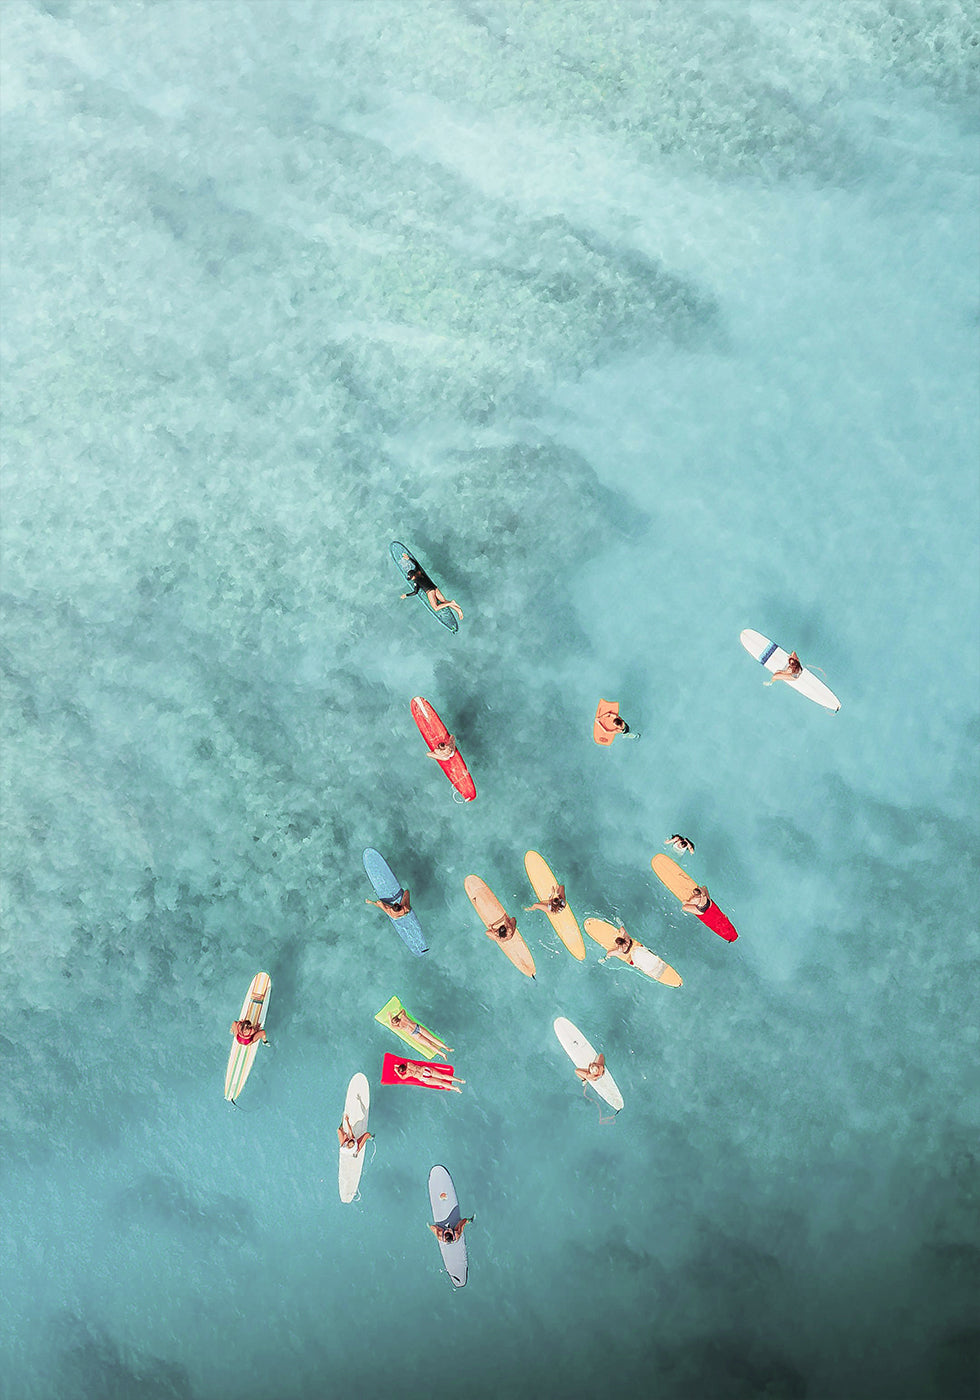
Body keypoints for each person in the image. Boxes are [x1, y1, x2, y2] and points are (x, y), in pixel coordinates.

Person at [400, 555, 463, 621]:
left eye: (411, 578)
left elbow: (415, 592)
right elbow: (416, 564)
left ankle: (451, 603)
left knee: (436, 608)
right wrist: (409, 558)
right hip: (434, 588)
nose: (412, 579)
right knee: (444, 601)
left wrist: (406, 595)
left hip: (430, 592)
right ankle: (458, 610)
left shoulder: (416, 581)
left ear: (413, 576)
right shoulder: (419, 572)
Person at [392, 1060, 465, 1093]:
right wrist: (398, 1066)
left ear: (404, 1071)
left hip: (422, 1077)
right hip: (425, 1070)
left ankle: (455, 1088)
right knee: (442, 1076)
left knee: (441, 1083)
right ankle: (460, 1080)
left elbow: (402, 1077)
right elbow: (403, 1065)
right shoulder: (409, 1063)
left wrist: (396, 1071)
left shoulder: (407, 1073)